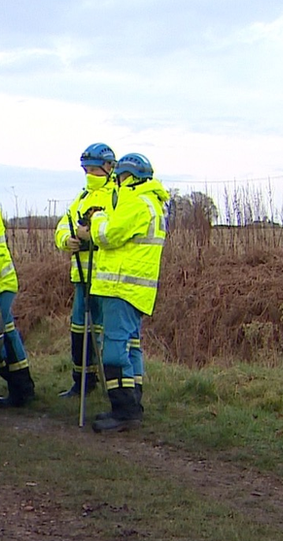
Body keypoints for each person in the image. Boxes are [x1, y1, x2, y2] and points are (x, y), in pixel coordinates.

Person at [75, 153, 168, 433]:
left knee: (114, 351)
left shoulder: (138, 203)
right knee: (131, 347)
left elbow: (107, 235)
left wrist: (96, 220)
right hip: (133, 290)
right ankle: (132, 404)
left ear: (128, 176)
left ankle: (124, 410)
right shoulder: (150, 203)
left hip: (121, 288)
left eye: (120, 176)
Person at [54, 143, 116, 398]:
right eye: (86, 169)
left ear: (109, 168)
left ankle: (112, 383)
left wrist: (92, 237)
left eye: (94, 169)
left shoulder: (117, 195)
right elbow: (61, 227)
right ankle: (81, 382)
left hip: (107, 276)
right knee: (79, 329)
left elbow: (115, 231)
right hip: (81, 276)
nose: (90, 174)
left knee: (104, 331)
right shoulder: (81, 198)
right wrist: (67, 240)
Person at [0, 191, 36, 408]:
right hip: (0, 279)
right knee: (6, 333)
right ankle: (22, 388)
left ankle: (22, 389)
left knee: (1, 335)